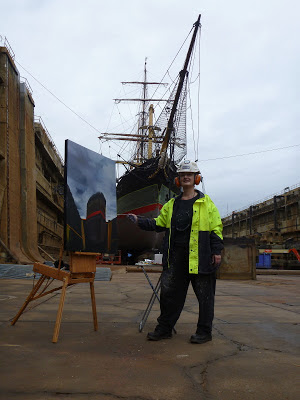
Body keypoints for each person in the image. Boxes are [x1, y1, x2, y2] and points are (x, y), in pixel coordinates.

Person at [128, 160, 223, 344]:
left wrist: (216, 251)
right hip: (175, 258)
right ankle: (164, 329)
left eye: (189, 174)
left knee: (205, 297)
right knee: (169, 295)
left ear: (197, 178)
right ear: (178, 180)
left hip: (200, 257)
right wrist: (139, 220)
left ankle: (204, 332)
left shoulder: (206, 203)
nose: (185, 177)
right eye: (182, 175)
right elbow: (158, 224)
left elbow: (216, 229)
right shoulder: (171, 204)